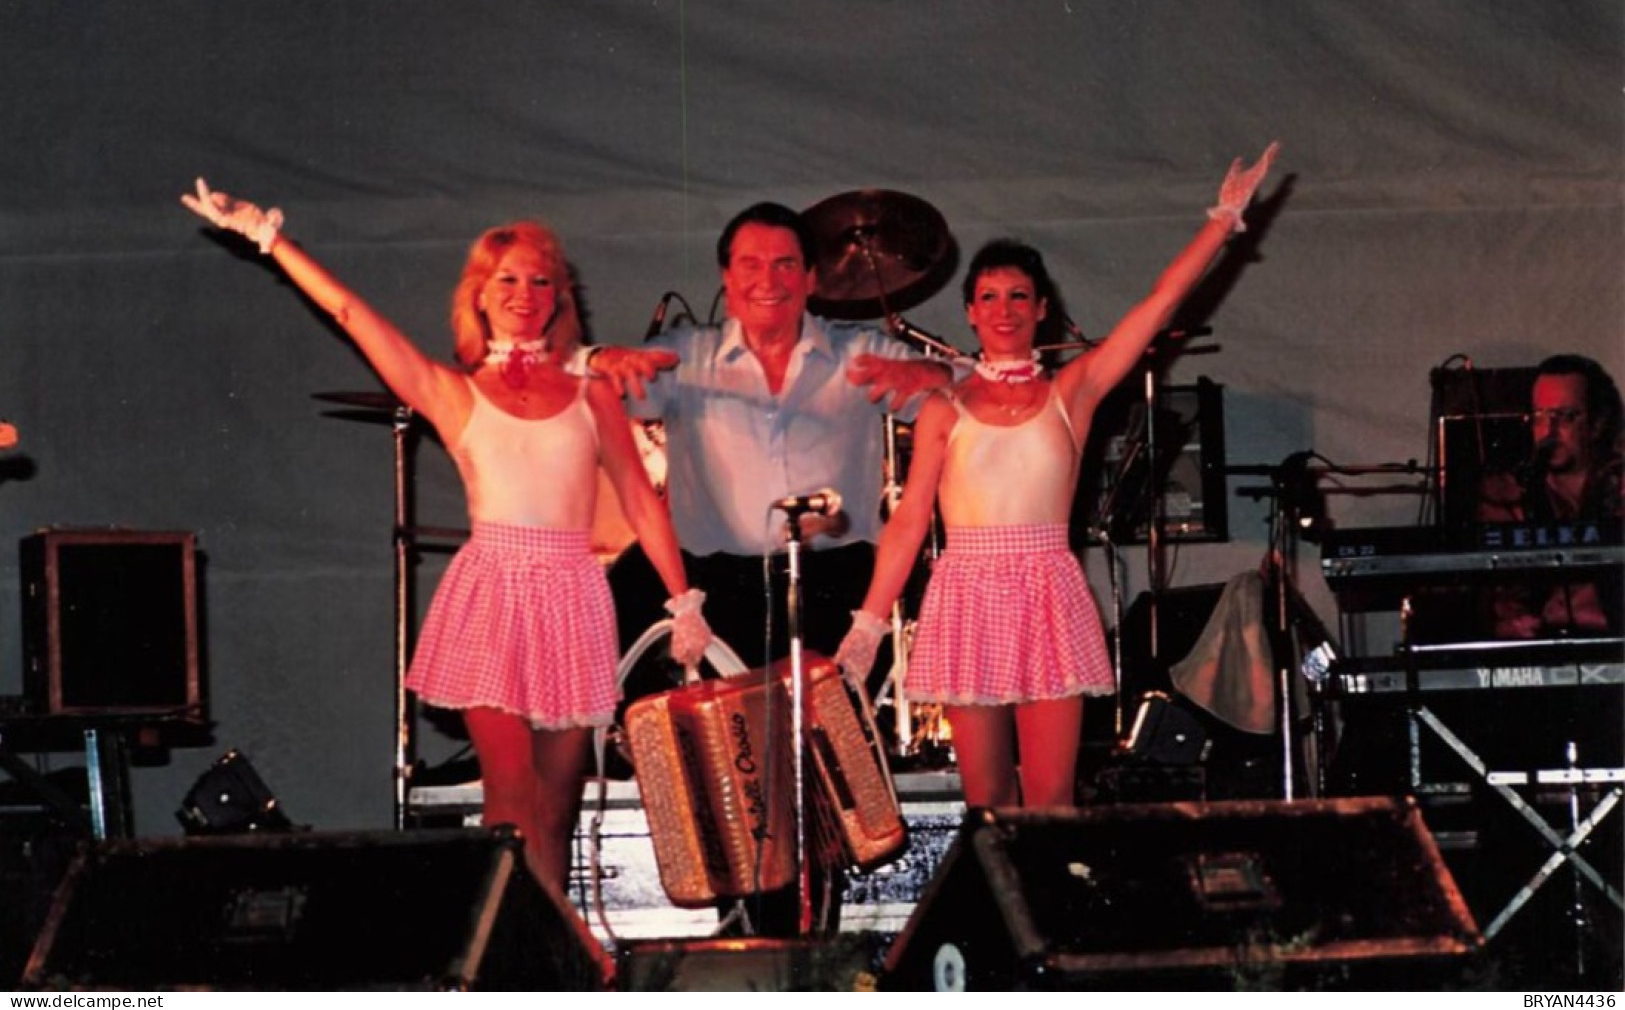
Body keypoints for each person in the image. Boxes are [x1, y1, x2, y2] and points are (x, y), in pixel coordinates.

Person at [180, 180, 713, 893]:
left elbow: (642, 504)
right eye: (507, 279)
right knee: (510, 798)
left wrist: (683, 602)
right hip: (492, 593)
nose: (524, 292)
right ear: (480, 294)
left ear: (558, 296)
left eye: (539, 280)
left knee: (556, 808)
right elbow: (349, 312)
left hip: (572, 597)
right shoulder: (451, 390)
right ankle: (511, 951)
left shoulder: (593, 395)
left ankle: (551, 947)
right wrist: (272, 242)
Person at [834, 144, 1279, 809]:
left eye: (1018, 295)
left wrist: (1220, 221)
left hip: (1045, 590)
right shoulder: (942, 408)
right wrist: (867, 625)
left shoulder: (1071, 392)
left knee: (1049, 800)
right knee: (985, 800)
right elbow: (907, 519)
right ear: (971, 313)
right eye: (988, 297)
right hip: (966, 595)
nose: (1004, 308)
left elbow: (1158, 304)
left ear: (1041, 308)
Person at [588, 201, 951, 668]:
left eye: (785, 265)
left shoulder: (858, 352)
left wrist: (933, 369)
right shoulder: (684, 358)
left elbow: (978, 380)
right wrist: (598, 359)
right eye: (751, 265)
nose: (769, 281)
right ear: (726, 276)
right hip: (717, 587)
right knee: (726, 739)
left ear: (811, 278)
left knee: (835, 737)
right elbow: (571, 389)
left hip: (836, 582)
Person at [1479, 354, 1623, 639]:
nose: (1549, 430)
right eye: (1540, 415)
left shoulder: (1617, 484)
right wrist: (1510, 623)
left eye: (1566, 416)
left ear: (1597, 423)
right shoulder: (1511, 492)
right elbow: (1495, 591)